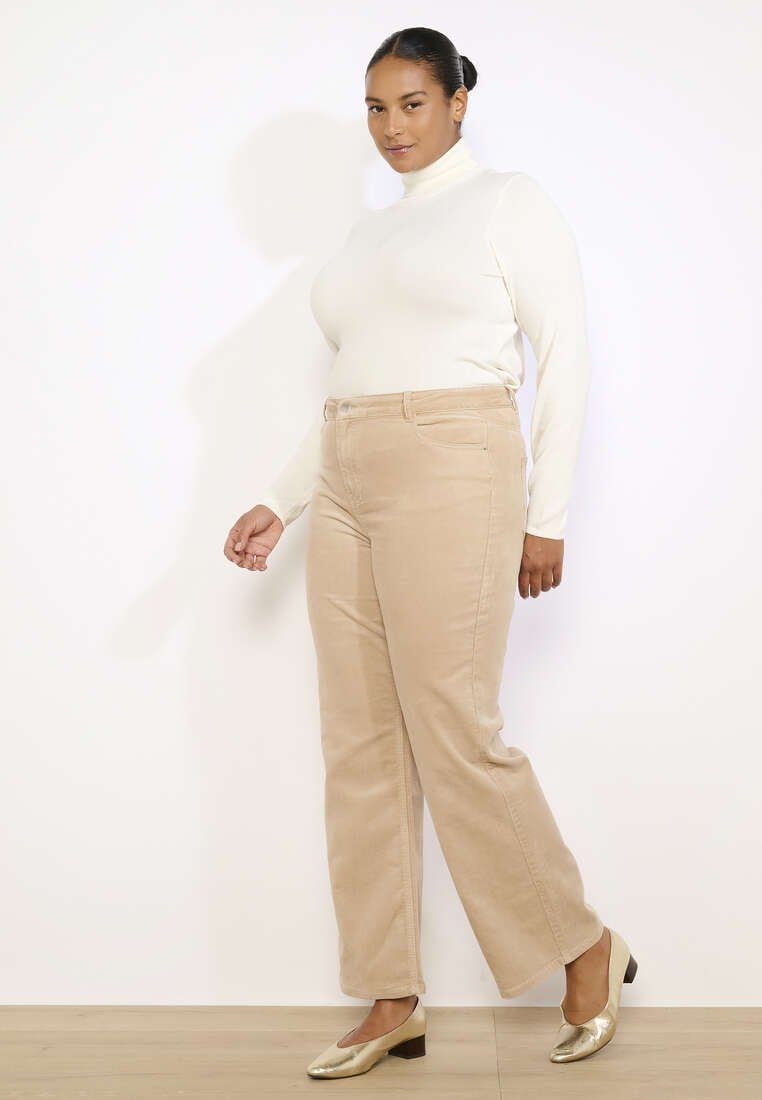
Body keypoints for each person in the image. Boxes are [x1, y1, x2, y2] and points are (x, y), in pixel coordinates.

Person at [224, 25, 637, 1081]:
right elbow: (352, 382)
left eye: (412, 102)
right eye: (376, 107)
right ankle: (390, 994)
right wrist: (282, 498)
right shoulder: (365, 239)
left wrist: (549, 514)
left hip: (456, 460)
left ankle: (582, 945)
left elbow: (566, 354)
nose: (392, 125)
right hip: (348, 473)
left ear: (458, 100)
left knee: (453, 723)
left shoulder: (507, 202)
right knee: (360, 742)